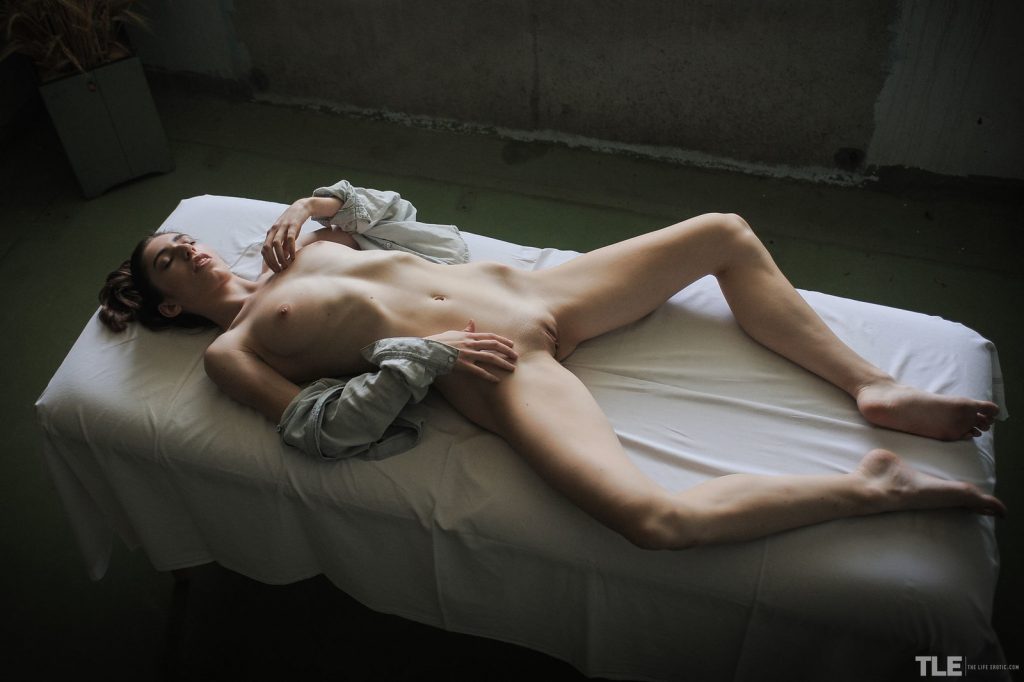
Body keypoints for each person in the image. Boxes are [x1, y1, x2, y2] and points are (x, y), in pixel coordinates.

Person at [98, 182, 1005, 550]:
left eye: (186, 238)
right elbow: (318, 430)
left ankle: (870, 385)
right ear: (167, 303)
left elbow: (410, 223)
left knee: (723, 232)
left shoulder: (293, 242)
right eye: (171, 259)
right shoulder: (233, 352)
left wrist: (321, 202)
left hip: (543, 293)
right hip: (495, 366)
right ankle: (871, 488)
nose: (192, 248)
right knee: (655, 521)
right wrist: (425, 357)